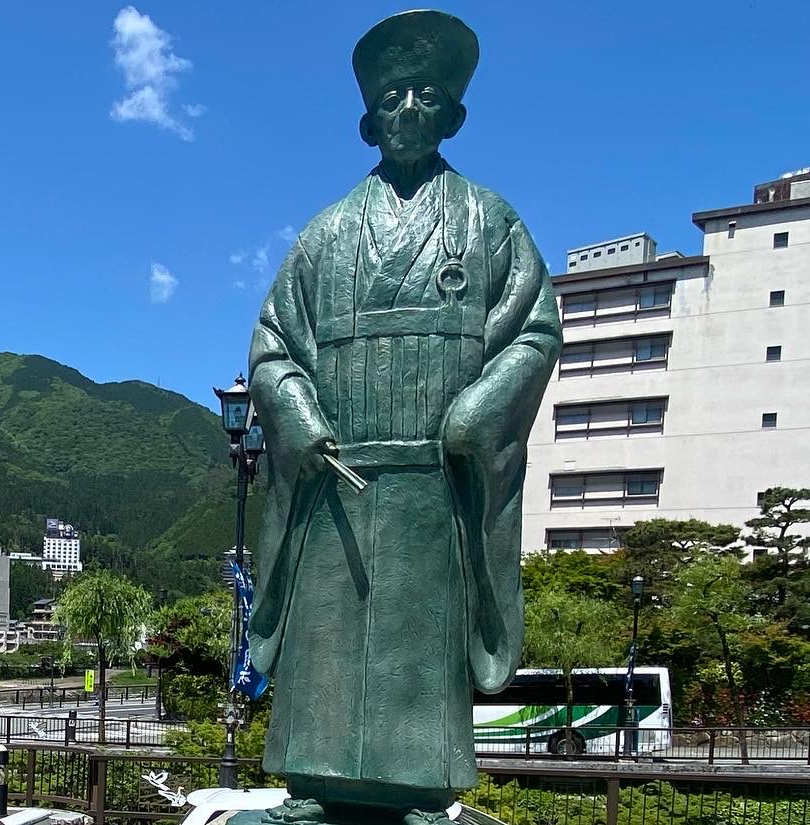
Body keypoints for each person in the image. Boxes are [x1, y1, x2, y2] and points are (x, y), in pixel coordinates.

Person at [245, 10, 562, 824]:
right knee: (327, 639)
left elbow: (535, 331)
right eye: (393, 97)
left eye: (426, 94)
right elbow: (274, 344)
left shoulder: (489, 221)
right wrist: (297, 411)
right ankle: (316, 783)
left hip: (434, 480)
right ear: (370, 118)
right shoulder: (327, 233)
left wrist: (478, 411)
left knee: (418, 643)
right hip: (335, 480)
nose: (409, 109)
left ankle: (421, 787)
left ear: (453, 113)